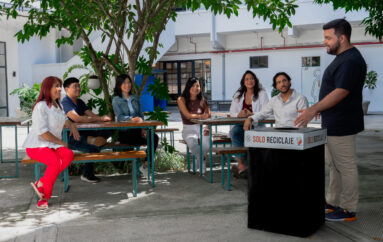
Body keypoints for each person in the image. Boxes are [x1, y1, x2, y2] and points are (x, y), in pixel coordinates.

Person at [294, 19, 366, 222]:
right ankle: (332, 202)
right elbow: (335, 91)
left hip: (342, 123)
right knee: (335, 166)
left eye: (328, 38)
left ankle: (348, 209)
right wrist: (319, 108)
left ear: (342, 38)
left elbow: (342, 91)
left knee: (345, 165)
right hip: (334, 122)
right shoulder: (344, 58)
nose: (324, 42)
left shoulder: (350, 60)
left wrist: (313, 109)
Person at [23, 76, 80, 210]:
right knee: (55, 162)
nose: (59, 89)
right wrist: (61, 142)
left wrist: (71, 124)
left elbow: (64, 119)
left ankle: (41, 182)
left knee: (68, 155)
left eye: (59, 86)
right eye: (56, 86)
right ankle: (44, 197)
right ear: (47, 88)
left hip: (52, 145)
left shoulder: (57, 105)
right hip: (37, 145)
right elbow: (43, 133)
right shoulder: (40, 106)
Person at [62, 77, 112, 183]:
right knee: (93, 149)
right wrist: (100, 118)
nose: (78, 88)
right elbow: (77, 118)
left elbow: (92, 116)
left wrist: (103, 119)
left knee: (109, 130)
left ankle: (94, 140)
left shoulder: (80, 102)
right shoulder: (65, 102)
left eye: (79, 86)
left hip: (83, 133)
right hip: (70, 137)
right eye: (75, 86)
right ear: (66, 89)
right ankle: (86, 174)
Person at [112, 74, 159, 177]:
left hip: (138, 131)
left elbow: (141, 115)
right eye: (124, 82)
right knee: (142, 137)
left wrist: (143, 129)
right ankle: (140, 166)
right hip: (125, 132)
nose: (127, 85)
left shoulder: (135, 97)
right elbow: (119, 117)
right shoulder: (116, 100)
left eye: (129, 82)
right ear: (119, 84)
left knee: (154, 137)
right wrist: (131, 119)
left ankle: (145, 166)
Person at [229, 70, 269, 178]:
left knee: (251, 138)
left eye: (251, 78)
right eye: (247, 79)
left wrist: (252, 114)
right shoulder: (238, 94)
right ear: (243, 82)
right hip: (240, 126)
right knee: (235, 132)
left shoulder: (262, 94)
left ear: (255, 80)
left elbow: (267, 112)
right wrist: (239, 114)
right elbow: (231, 112)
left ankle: (246, 168)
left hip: (257, 125)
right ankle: (241, 164)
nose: (249, 81)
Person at [244, 72, 308, 130]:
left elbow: (303, 122)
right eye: (279, 82)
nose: (282, 84)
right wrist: (250, 118)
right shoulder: (274, 100)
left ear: (289, 82)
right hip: (278, 135)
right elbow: (263, 113)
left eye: (284, 81)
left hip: (296, 135)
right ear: (276, 87)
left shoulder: (300, 99)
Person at [178, 77, 211, 174]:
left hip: (202, 127)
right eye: (193, 85)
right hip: (188, 128)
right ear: (188, 86)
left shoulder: (203, 100)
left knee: (208, 144)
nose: (195, 88)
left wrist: (208, 127)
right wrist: (201, 116)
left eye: (198, 86)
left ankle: (197, 160)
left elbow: (208, 116)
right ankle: (202, 160)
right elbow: (187, 115)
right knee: (192, 143)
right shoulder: (181, 99)